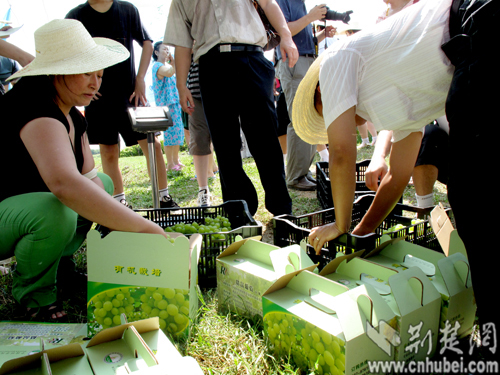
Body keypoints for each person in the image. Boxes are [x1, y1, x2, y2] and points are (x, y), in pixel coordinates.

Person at [0, 19, 170, 320]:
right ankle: (35, 296)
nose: (96, 83)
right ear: (57, 72)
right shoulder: (32, 105)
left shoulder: (74, 118)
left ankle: (58, 265)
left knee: (102, 184)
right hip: (8, 213)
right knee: (55, 209)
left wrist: (118, 221)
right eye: (87, 74)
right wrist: (146, 229)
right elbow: (64, 184)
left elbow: (91, 180)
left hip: (20, 211)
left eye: (100, 75)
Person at [290, 0, 453, 248]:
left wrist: (340, 225)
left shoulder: (334, 60)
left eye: (327, 115)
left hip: (467, 23)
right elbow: (398, 175)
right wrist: (363, 230)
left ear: (323, 92)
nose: (335, 125)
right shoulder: (392, 100)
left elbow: (342, 153)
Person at [163, 0, 298, 217]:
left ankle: (282, 210)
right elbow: (182, 43)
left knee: (265, 140)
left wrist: (287, 36)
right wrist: (181, 86)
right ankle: (239, 211)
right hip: (210, 65)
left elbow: (268, 2)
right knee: (225, 145)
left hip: (252, 56)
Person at [66, 0, 179, 209]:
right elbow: (68, 55)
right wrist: (85, 85)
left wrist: (140, 78)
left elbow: (146, 42)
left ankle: (164, 198)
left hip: (131, 94)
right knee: (108, 151)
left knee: (151, 145)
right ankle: (119, 203)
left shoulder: (127, 10)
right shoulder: (75, 16)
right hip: (97, 98)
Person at [275, 1, 338, 191]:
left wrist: (321, 35)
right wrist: (311, 17)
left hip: (307, 60)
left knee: (308, 118)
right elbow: (283, 31)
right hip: (294, 62)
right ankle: (295, 176)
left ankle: (302, 172)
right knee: (299, 119)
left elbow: (301, 37)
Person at [151, 41, 185, 172]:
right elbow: (170, 72)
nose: (167, 51)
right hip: (166, 105)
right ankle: (170, 163)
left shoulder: (166, 66)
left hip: (174, 103)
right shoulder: (157, 66)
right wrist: (174, 63)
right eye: (164, 49)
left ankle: (176, 160)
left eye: (167, 49)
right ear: (156, 52)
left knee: (177, 132)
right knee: (170, 133)